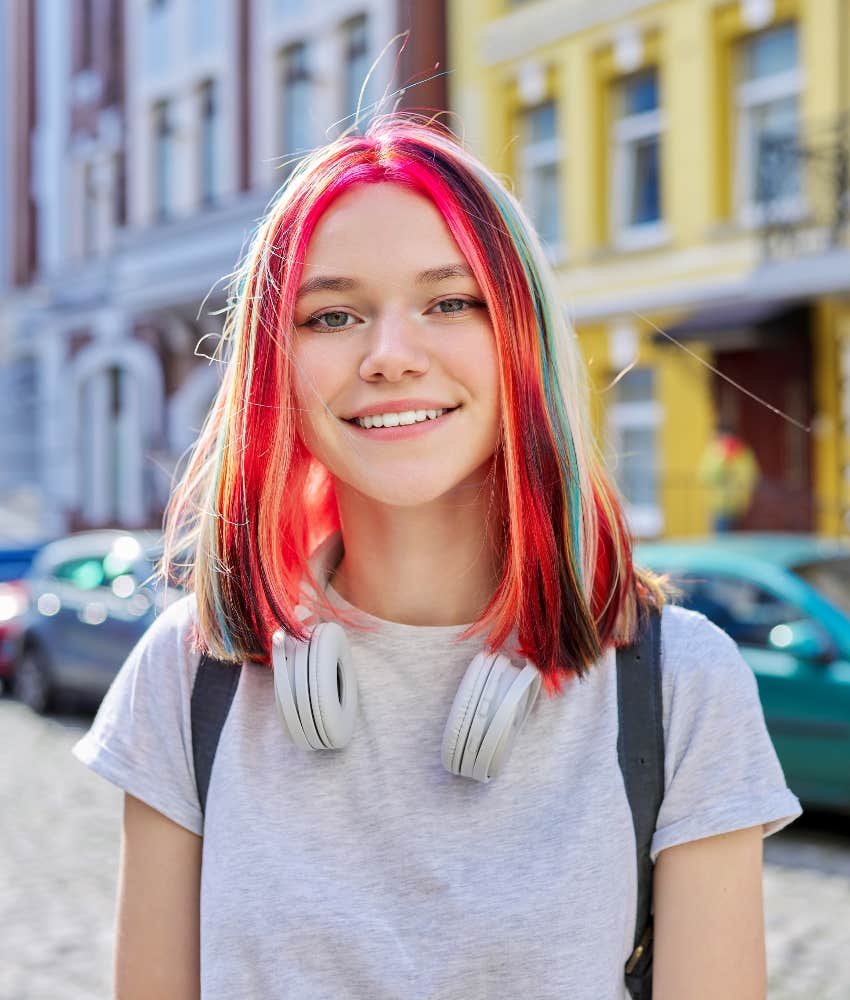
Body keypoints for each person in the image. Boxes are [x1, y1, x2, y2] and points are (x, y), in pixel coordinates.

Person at [73, 115, 800, 1000]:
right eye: (331, 315)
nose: (389, 356)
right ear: (276, 369)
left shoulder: (680, 684)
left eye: (451, 301)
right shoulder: (189, 678)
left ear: (520, 341)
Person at [698, 424, 761, 533]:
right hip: (718, 506)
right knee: (721, 537)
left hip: (739, 505)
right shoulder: (713, 451)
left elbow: (750, 476)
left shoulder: (743, 452)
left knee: (739, 538)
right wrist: (723, 458)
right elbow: (705, 476)